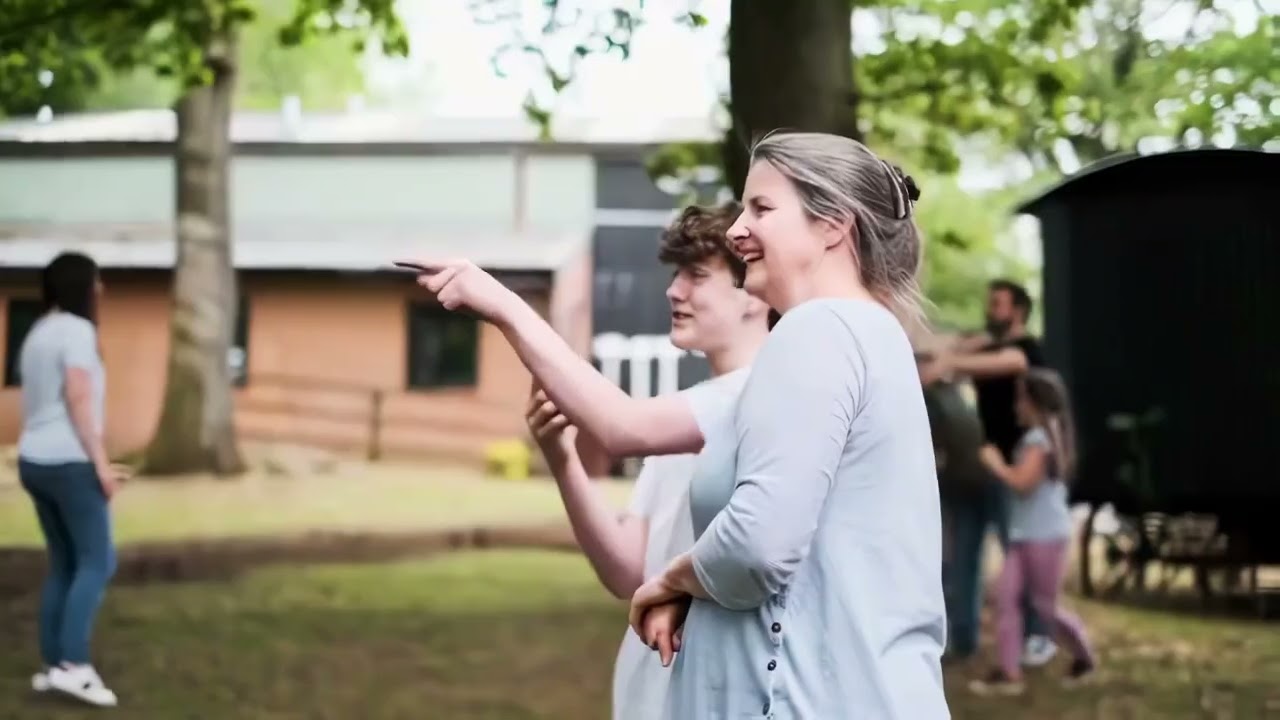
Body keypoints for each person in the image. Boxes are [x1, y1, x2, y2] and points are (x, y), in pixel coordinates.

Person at [402, 130, 949, 719]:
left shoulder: (817, 331)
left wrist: (676, 580)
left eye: (762, 208)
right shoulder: (873, 338)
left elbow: (759, 542)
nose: (739, 229)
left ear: (832, 226)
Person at [523, 202, 770, 720]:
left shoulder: (767, 403)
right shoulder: (686, 413)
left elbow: (622, 429)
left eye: (697, 275)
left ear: (753, 294)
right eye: (676, 274)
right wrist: (562, 459)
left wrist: (501, 305)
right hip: (647, 694)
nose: (673, 291)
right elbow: (628, 574)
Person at [919, 280, 1056, 666]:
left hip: (1015, 466)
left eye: (997, 304)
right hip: (981, 465)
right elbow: (953, 351)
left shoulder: (1026, 348)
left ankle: (1037, 637)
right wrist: (941, 353)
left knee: (1020, 553)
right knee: (963, 553)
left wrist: (951, 362)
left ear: (1018, 311)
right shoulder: (985, 346)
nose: (990, 309)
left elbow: (1012, 362)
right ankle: (960, 639)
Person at [18, 252, 127, 707]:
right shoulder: (79, 332)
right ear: (84, 286)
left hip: (34, 460)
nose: (100, 289)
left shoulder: (39, 331)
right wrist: (100, 464)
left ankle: (52, 666)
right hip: (69, 462)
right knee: (97, 561)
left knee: (65, 564)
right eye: (97, 281)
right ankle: (74, 667)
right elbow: (79, 396)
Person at [969, 368, 1097, 695]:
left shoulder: (1040, 440)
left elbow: (1023, 484)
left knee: (1045, 608)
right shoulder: (1039, 437)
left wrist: (995, 462)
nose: (1016, 406)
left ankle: (1084, 656)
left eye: (1021, 399)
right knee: (1005, 598)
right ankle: (1009, 672)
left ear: (1036, 404)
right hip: (1023, 534)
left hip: (1044, 536)